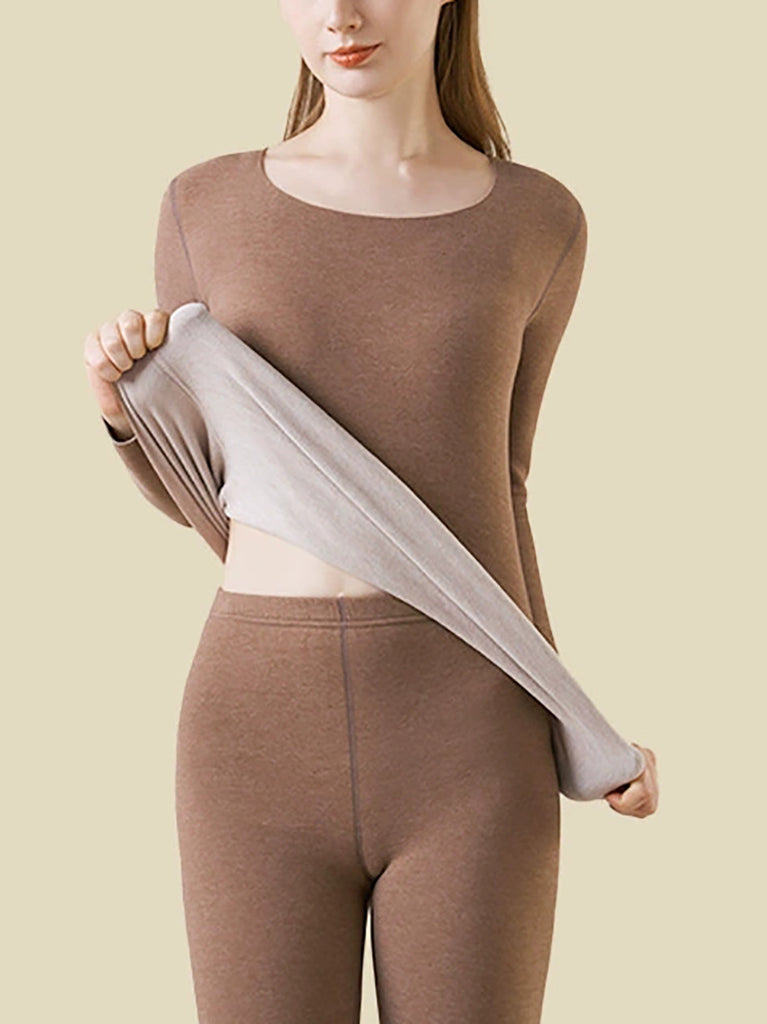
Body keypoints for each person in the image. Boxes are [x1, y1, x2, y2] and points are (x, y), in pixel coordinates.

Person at [84, 1, 659, 1020]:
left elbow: (499, 487)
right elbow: (225, 499)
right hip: (252, 732)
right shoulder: (202, 204)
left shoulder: (538, 221)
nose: (340, 14)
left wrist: (575, 723)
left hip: (469, 736)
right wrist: (124, 416)